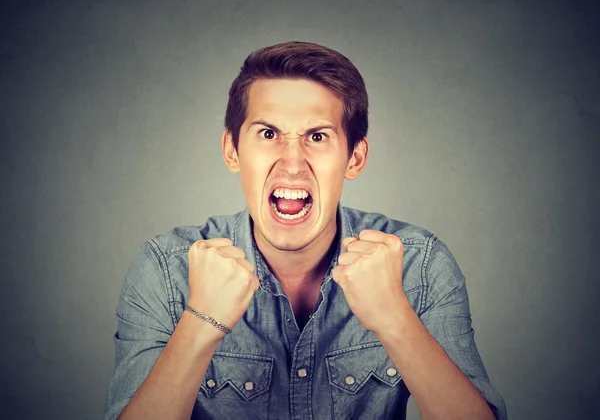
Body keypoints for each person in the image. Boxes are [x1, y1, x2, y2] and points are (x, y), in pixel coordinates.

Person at [103, 41, 508, 420]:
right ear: (232, 150)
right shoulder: (164, 270)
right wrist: (199, 323)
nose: (292, 163)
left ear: (354, 157)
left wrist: (395, 319)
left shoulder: (420, 264)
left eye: (317, 136)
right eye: (268, 134)